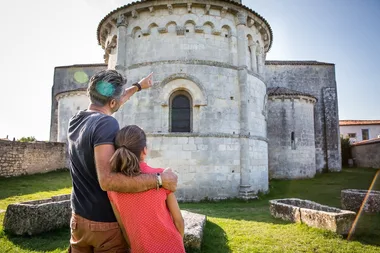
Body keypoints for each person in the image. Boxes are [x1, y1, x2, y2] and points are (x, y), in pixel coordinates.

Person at [67, 70, 178, 253]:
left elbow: (116, 101)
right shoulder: (106, 123)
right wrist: (159, 179)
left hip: (78, 220)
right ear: (112, 102)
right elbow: (107, 180)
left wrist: (139, 86)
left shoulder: (76, 120)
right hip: (104, 226)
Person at [108, 125, 185, 253]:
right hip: (172, 247)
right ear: (144, 150)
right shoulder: (162, 177)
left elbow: (124, 228)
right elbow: (179, 221)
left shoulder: (112, 187)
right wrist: (178, 243)